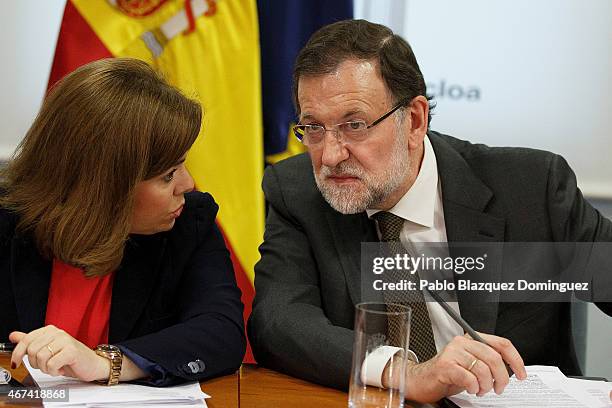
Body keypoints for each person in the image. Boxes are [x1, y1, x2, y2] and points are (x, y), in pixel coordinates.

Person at [248, 19, 612, 403]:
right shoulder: (298, 192)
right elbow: (278, 321)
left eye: (354, 125)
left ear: (415, 121)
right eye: (314, 128)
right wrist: (402, 371)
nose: (331, 155)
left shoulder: (531, 189)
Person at [0, 58, 245, 386]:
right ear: (106, 185)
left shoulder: (188, 224)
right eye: (168, 174)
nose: (187, 185)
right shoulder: (7, 220)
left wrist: (107, 362)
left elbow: (222, 333)